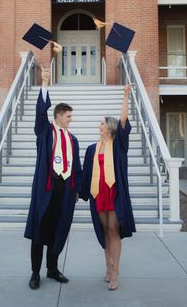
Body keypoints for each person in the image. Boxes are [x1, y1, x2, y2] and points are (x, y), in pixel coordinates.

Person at [24, 67, 82, 289]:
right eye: (68, 116)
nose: (71, 119)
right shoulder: (45, 132)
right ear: (58, 116)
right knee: (41, 229)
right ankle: (35, 272)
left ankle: (52, 269)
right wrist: (45, 83)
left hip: (65, 188)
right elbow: (40, 113)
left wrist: (77, 189)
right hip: (46, 188)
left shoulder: (73, 139)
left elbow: (76, 166)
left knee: (59, 229)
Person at [81, 84, 136, 290]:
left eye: (102, 122)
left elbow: (123, 121)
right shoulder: (91, 149)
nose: (99, 125)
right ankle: (107, 266)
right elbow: (86, 174)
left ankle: (116, 271)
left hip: (115, 192)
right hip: (98, 192)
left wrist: (125, 97)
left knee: (114, 229)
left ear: (109, 127)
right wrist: (80, 192)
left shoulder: (119, 145)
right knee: (104, 230)